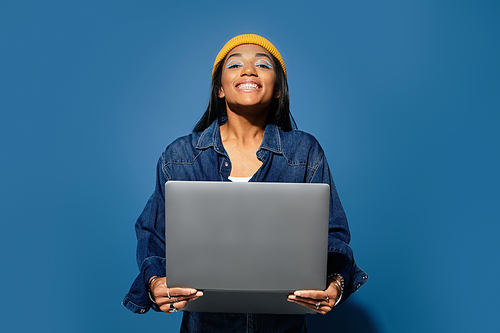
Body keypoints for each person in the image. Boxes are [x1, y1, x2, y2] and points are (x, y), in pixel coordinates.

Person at [122, 34, 368, 332]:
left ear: (278, 89)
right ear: (220, 89)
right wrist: (154, 282)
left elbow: (333, 236)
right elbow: (152, 233)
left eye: (263, 65)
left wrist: (337, 285)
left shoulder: (304, 152)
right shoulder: (180, 156)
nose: (249, 69)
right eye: (235, 64)